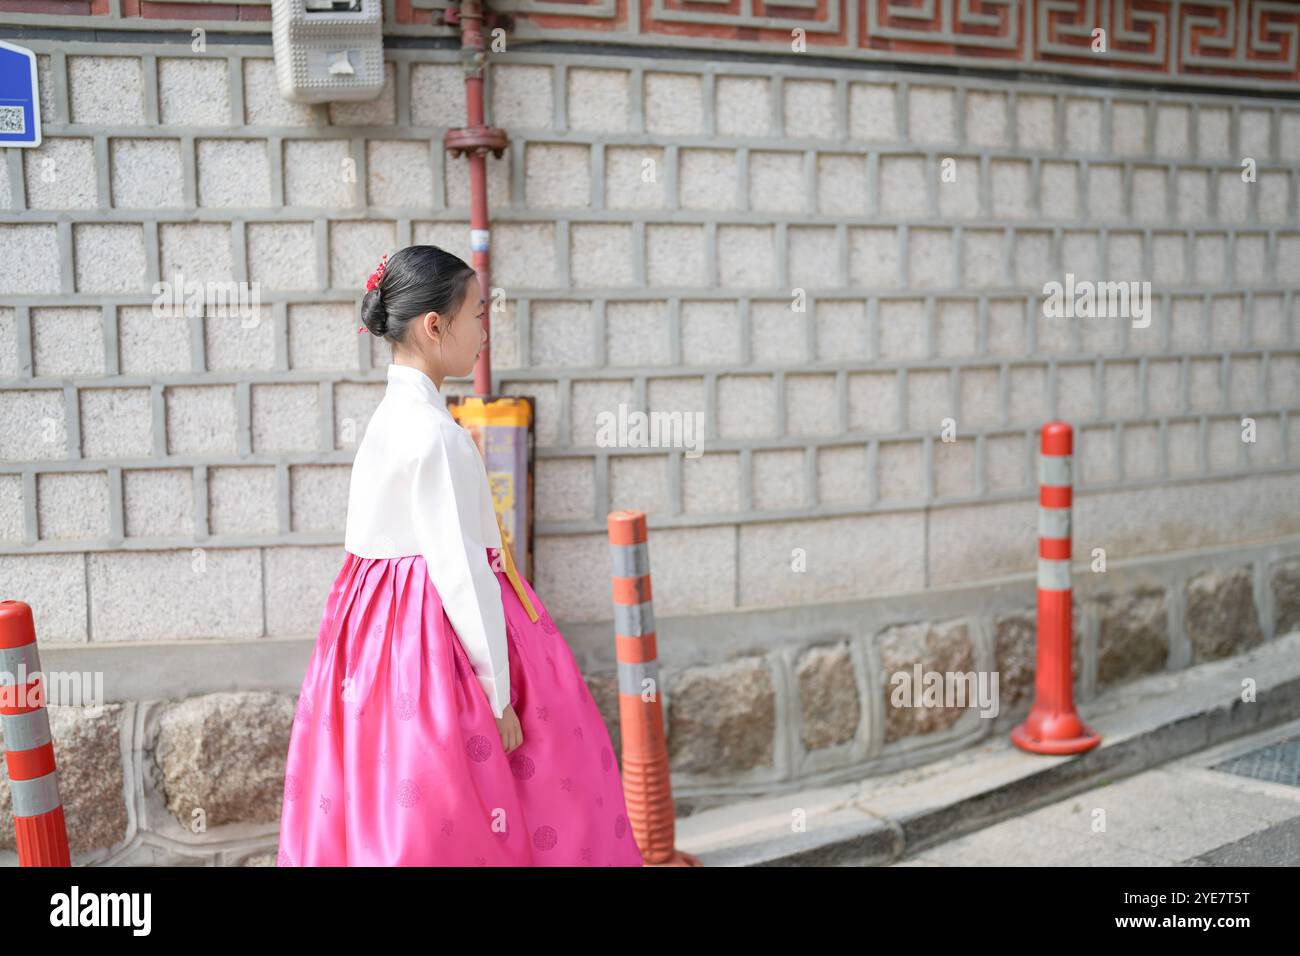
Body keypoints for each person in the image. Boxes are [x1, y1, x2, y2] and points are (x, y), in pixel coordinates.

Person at [276, 244, 644, 867]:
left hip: (374, 653)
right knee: (539, 791)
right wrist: (498, 697)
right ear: (434, 325)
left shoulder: (387, 422)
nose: (483, 332)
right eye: (476, 314)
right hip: (438, 652)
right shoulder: (436, 436)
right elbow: (462, 572)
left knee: (389, 805)